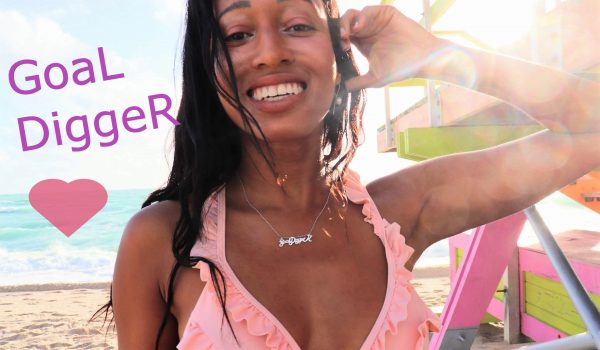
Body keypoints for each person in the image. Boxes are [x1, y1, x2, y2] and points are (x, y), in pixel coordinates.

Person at [95, 0, 600, 349]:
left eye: (298, 25)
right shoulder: (165, 241)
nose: (271, 52)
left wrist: (442, 57)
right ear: (207, 70)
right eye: (238, 34)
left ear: (339, 55)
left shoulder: (399, 215)